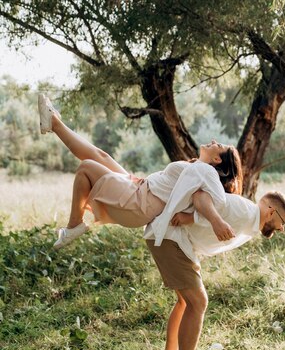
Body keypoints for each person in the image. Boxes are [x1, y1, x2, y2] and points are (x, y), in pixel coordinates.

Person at [37, 94, 243, 249]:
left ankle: (74, 226)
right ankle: (54, 122)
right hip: (141, 187)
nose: (215, 141)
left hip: (140, 203)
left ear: (217, 159)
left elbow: (215, 202)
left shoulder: (207, 174)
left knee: (86, 169)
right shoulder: (198, 169)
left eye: (220, 146)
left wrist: (216, 222)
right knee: (100, 156)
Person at [144, 188, 285, 350]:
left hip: (175, 240)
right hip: (170, 237)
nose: (282, 229)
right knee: (198, 302)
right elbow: (203, 197)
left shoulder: (250, 222)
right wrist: (192, 217)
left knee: (185, 303)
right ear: (272, 212)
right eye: (283, 223)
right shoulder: (244, 211)